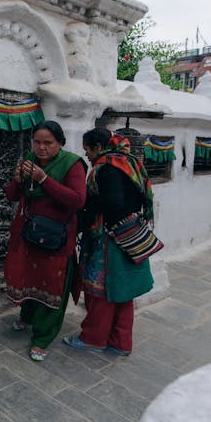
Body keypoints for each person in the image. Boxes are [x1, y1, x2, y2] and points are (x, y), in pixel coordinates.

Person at [63, 128, 154, 356]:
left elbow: (113, 202)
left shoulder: (106, 169)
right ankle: (120, 342)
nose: (87, 155)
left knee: (100, 291)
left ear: (99, 147)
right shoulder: (128, 163)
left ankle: (93, 339)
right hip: (128, 234)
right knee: (122, 292)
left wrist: (86, 205)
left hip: (108, 239)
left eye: (88, 150)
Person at [4, 120, 87, 361]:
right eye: (37, 142)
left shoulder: (72, 165)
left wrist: (43, 180)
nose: (41, 148)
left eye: (48, 143)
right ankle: (27, 316)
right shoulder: (30, 160)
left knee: (52, 284)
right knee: (29, 277)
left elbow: (77, 200)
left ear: (60, 143)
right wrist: (18, 179)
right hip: (30, 232)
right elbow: (11, 195)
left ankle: (43, 337)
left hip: (56, 237)